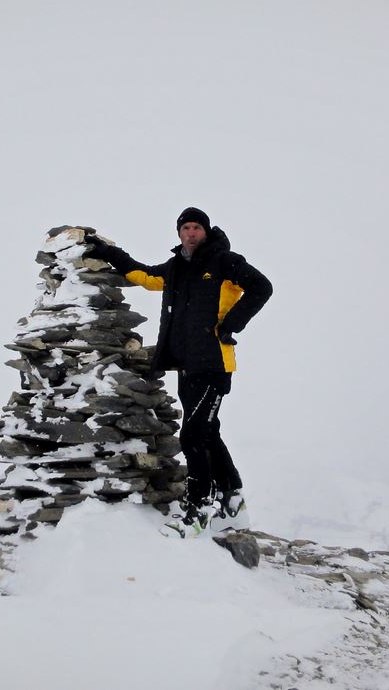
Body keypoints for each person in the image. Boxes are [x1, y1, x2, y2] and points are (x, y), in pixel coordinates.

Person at [86, 207, 273, 537]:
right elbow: (143, 276)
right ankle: (233, 505)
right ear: (179, 233)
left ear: (205, 231)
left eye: (196, 227)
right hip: (187, 366)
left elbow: (262, 287)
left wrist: (231, 325)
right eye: (185, 228)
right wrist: (109, 253)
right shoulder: (175, 269)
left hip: (215, 365)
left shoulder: (224, 261)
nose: (190, 233)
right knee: (207, 432)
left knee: (193, 434)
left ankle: (199, 510)